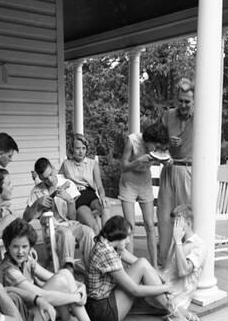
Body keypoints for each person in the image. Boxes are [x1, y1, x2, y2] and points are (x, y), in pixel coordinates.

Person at [0, 218, 113, 321]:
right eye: (15, 247)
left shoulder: (26, 260)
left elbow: (53, 277)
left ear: (30, 246)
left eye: (25, 246)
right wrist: (76, 297)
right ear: (7, 246)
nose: (21, 252)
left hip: (33, 315)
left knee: (64, 274)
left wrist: (81, 286)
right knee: (61, 280)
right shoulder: (9, 270)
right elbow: (41, 296)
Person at [85, 216, 171, 321]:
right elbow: (135, 290)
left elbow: (141, 264)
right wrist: (167, 287)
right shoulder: (106, 252)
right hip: (103, 312)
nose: (129, 241)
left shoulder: (109, 243)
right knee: (158, 299)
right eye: (126, 237)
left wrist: (163, 279)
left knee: (159, 306)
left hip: (105, 300)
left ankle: (172, 307)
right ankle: (175, 309)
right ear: (118, 235)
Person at [23, 157, 95, 272]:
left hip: (70, 224)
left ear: (54, 168)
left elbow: (73, 217)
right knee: (66, 234)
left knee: (89, 232)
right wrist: (36, 204)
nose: (50, 180)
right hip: (53, 229)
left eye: (51, 174)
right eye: (45, 179)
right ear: (40, 178)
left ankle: (92, 269)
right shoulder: (36, 191)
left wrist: (70, 201)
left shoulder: (68, 184)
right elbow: (25, 218)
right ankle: (68, 270)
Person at [145, 204, 206, 321]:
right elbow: (166, 272)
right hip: (164, 292)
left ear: (188, 223)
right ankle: (182, 313)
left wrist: (177, 241)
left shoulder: (199, 246)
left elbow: (183, 272)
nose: (174, 229)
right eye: (173, 224)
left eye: (177, 224)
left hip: (175, 297)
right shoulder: (177, 242)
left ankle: (178, 312)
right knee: (142, 267)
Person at [119, 121, 170, 268]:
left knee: (149, 225)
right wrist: (138, 161)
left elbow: (164, 157)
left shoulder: (158, 146)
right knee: (130, 227)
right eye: (156, 147)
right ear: (148, 141)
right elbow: (123, 167)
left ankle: (154, 267)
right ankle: (131, 268)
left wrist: (167, 162)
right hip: (128, 182)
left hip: (144, 182)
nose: (158, 149)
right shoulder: (132, 141)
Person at [157, 78, 194, 267]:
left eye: (187, 101)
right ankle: (163, 265)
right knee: (164, 218)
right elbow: (154, 140)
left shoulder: (200, 116)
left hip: (188, 171)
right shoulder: (168, 115)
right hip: (169, 168)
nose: (183, 105)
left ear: (194, 101)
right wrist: (166, 144)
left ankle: (186, 264)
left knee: (186, 218)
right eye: (180, 100)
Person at [59, 134, 110, 234]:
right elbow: (57, 181)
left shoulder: (93, 164)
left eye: (83, 148)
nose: (81, 151)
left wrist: (102, 196)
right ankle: (100, 246)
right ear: (72, 149)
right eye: (77, 148)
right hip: (77, 197)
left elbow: (99, 185)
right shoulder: (66, 164)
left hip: (90, 194)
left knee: (105, 207)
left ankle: (108, 239)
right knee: (94, 227)